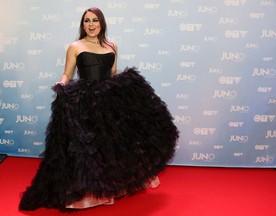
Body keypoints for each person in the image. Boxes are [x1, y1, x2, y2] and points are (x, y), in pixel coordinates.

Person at [19, 7, 179, 212]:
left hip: (108, 102)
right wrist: (61, 84)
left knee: (113, 148)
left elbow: (112, 74)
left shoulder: (112, 45)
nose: (91, 24)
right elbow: (67, 73)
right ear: (82, 24)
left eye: (95, 20)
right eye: (87, 21)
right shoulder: (75, 46)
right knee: (89, 150)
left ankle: (112, 188)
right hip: (86, 102)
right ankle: (86, 194)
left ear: (102, 23)